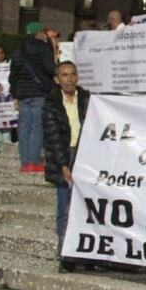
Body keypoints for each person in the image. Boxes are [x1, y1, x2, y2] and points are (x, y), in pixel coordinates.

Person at [41, 61, 89, 271]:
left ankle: (88, 255)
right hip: (64, 155)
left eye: (72, 74)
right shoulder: (50, 102)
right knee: (65, 207)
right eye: (64, 75)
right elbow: (53, 137)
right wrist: (63, 165)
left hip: (85, 155)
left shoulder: (87, 99)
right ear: (57, 79)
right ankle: (66, 255)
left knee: (88, 206)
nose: (69, 78)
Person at [9, 23, 57, 173]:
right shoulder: (42, 47)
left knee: (24, 129)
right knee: (37, 127)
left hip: (23, 94)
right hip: (38, 92)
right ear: (40, 33)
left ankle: (24, 163)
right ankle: (33, 162)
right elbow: (50, 68)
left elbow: (13, 75)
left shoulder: (19, 50)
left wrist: (15, 94)